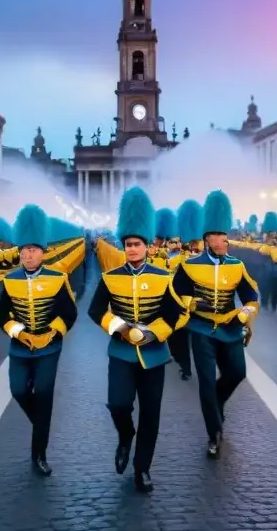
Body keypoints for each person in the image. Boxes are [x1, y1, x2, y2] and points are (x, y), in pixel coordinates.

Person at [87, 187, 183, 493]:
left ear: (146, 246)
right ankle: (125, 435)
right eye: (128, 244)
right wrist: (120, 327)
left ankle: (142, 468)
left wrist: (154, 332)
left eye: (137, 244)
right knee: (118, 404)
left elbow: (175, 314)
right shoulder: (110, 276)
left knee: (151, 414)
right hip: (122, 352)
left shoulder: (163, 276)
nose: (131, 249)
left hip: (154, 354)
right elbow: (95, 310)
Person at [171, 190, 260, 458]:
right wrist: (193, 304)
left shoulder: (237, 265)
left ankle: (217, 402)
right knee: (207, 382)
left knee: (237, 373)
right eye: (218, 235)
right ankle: (214, 432)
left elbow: (251, 296)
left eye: (225, 235)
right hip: (201, 329)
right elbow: (177, 294)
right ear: (207, 238)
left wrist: (245, 313)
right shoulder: (189, 265)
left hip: (230, 327)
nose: (223, 240)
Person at [0, 204, 78, 476]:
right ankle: (41, 424)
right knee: (19, 391)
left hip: (49, 347)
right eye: (24, 250)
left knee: (43, 394)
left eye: (33, 249)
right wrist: (19, 332)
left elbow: (69, 312)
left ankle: (39, 453)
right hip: (20, 347)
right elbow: (0, 314)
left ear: (43, 252)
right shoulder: (10, 279)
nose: (27, 254)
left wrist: (51, 333)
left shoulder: (57, 277)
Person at [167, 199, 203, 381]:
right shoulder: (174, 258)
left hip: (200, 300)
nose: (193, 245)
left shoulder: (205, 256)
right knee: (179, 334)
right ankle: (185, 366)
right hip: (179, 298)